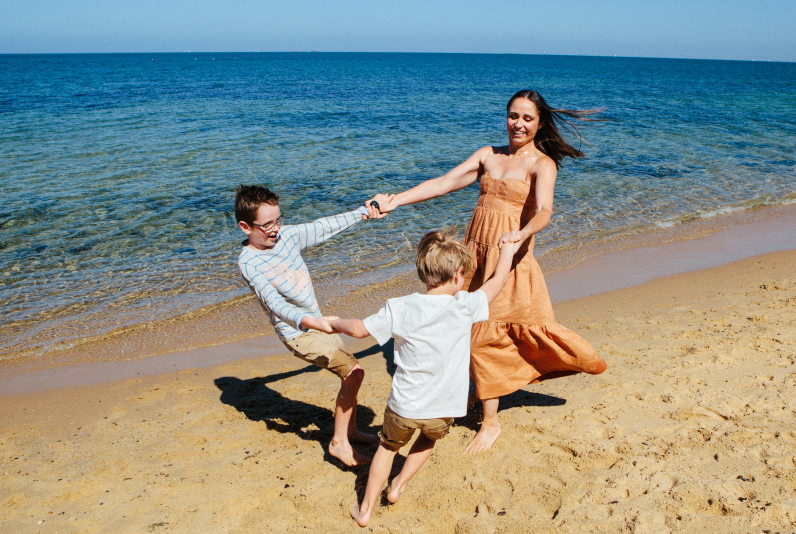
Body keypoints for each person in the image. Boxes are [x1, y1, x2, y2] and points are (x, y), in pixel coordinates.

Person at [372, 90, 608, 454]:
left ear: (540, 123)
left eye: (527, 118)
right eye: (513, 116)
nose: (519, 123)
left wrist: (522, 233)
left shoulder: (542, 164)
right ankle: (473, 390)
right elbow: (444, 183)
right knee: (462, 326)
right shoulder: (488, 155)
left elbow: (544, 210)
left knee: (485, 335)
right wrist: (394, 201)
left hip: (508, 257)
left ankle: (491, 421)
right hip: (473, 254)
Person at [331, 230, 519, 527]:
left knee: (388, 447)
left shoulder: (401, 307)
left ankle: (365, 510)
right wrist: (506, 250)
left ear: (423, 272)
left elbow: (358, 329)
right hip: (445, 406)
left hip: (405, 406)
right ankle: (399, 486)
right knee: (427, 440)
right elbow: (497, 282)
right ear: (459, 275)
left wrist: (332, 323)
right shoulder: (465, 305)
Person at [235, 184, 390, 466]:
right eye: (266, 224)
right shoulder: (249, 262)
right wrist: (312, 322)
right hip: (297, 332)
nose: (275, 229)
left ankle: (351, 431)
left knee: (351, 372)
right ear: (246, 226)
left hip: (318, 324)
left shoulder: (287, 236)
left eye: (278, 220)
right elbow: (275, 305)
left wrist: (364, 212)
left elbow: (323, 226)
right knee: (354, 372)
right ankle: (339, 443)